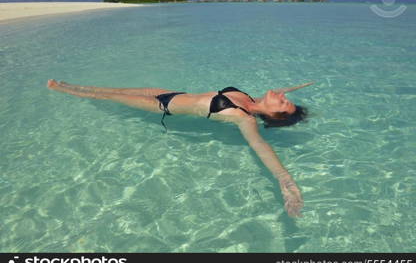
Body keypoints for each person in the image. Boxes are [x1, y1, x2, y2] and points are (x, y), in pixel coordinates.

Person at [47, 79, 312, 217]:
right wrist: (298, 87)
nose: (282, 97)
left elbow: (260, 146)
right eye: (285, 99)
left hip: (162, 106)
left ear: (272, 115)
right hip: (170, 92)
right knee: (112, 89)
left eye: (282, 103)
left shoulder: (244, 118)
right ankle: (70, 85)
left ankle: (61, 89)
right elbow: (277, 90)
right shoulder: (251, 100)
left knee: (106, 96)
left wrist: (286, 183)